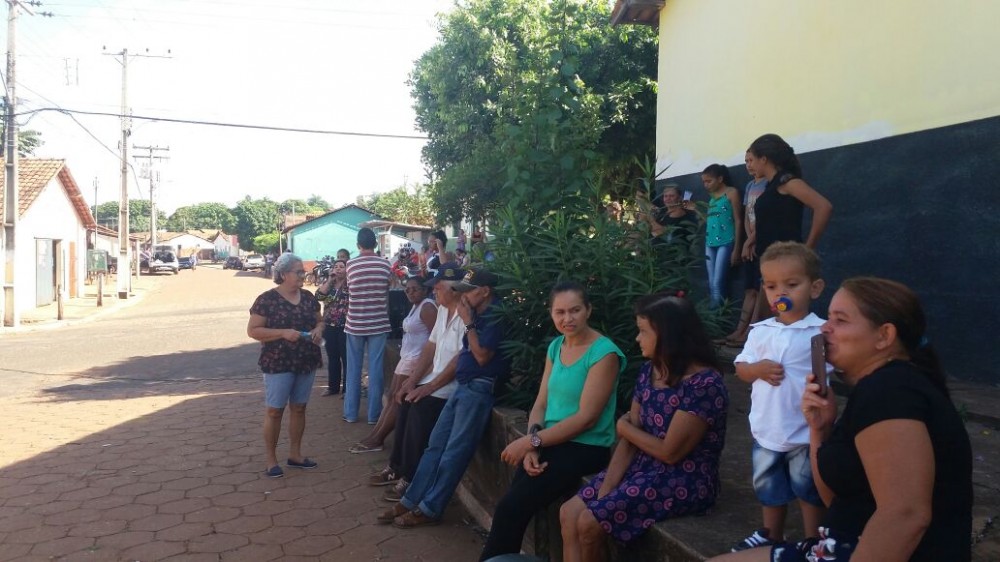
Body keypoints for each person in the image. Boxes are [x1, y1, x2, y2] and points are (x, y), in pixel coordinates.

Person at [708, 277, 972, 562]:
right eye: (829, 317)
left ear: (884, 336)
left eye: (840, 320)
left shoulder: (891, 390)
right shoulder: (879, 387)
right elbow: (837, 500)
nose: (825, 328)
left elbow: (905, 515)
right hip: (840, 543)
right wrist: (819, 430)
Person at [559, 293, 728, 562]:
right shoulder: (650, 371)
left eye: (643, 332)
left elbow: (669, 452)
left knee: (590, 523)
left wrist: (624, 429)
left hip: (683, 477)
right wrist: (605, 493)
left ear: (668, 336)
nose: (637, 339)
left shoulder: (704, 384)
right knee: (569, 513)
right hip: (641, 466)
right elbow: (628, 440)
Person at [479, 281, 625, 561]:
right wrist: (533, 442)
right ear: (551, 314)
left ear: (588, 311)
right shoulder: (556, 346)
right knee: (511, 509)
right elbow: (541, 403)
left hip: (584, 447)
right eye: (560, 312)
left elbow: (586, 418)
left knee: (511, 508)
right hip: (550, 441)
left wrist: (532, 441)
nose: (567, 319)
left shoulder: (604, 353)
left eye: (575, 310)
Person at [378, 266, 509, 528]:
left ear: (484, 292)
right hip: (464, 384)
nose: (462, 296)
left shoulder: (494, 315)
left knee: (454, 452)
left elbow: (482, 356)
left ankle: (430, 507)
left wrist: (468, 322)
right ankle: (412, 498)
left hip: (479, 387)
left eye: (467, 291)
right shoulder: (474, 310)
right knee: (435, 446)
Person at [729, 242, 828, 552]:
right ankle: (772, 533)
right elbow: (740, 368)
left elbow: (834, 374)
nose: (779, 293)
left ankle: (813, 538)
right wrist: (756, 369)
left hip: (803, 432)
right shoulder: (760, 330)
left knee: (807, 488)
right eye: (771, 286)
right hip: (766, 429)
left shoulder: (820, 332)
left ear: (815, 288)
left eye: (791, 284)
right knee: (768, 487)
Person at [369, 264, 467, 501]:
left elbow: (459, 360)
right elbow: (430, 348)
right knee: (403, 399)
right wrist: (413, 381)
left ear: (454, 289)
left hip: (450, 385)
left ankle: (410, 478)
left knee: (419, 411)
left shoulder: (466, 316)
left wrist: (429, 387)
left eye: (439, 287)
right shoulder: (443, 310)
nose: (434, 291)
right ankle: (396, 466)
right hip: (432, 379)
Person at [247, 252, 324, 478]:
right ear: (283, 274)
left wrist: (319, 329)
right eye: (298, 272)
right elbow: (253, 331)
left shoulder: (309, 298)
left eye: (303, 271)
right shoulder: (266, 300)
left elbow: (319, 320)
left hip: (305, 360)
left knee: (299, 408)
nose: (303, 275)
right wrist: (282, 333)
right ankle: (271, 460)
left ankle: (295, 455)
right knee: (275, 411)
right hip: (278, 363)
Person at [350, 275, 438, 453]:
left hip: (416, 360)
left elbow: (435, 339)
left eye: (415, 289)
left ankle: (378, 439)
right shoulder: (415, 307)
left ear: (426, 290)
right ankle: (376, 435)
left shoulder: (428, 307)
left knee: (398, 399)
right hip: (406, 357)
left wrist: (425, 365)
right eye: (407, 290)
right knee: (391, 396)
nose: (410, 293)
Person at [745, 134, 832, 256]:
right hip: (770, 260)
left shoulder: (786, 182)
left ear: (763, 159)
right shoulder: (771, 185)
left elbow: (823, 207)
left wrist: (808, 248)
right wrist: (752, 240)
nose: (750, 166)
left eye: (752, 160)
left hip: (786, 260)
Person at [344, 227, 393, 424]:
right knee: (375, 370)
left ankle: (350, 414)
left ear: (358, 245)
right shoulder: (385, 265)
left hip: (355, 323)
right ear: (376, 244)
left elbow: (350, 289)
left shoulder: (350, 265)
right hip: (379, 323)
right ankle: (374, 416)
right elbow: (388, 289)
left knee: (353, 369)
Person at [723, 153, 769, 346]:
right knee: (749, 289)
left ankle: (751, 331)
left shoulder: (769, 184)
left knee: (760, 289)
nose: (748, 165)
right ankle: (739, 329)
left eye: (751, 160)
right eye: (746, 161)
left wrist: (751, 240)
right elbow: (747, 215)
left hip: (761, 241)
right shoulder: (750, 186)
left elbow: (765, 216)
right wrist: (748, 239)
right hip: (750, 241)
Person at [702, 164, 744, 307]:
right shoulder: (712, 198)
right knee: (711, 282)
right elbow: (709, 220)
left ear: (720, 178)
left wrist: (737, 249)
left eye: (709, 181)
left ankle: (717, 318)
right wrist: (694, 209)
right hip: (709, 242)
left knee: (718, 282)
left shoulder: (732, 193)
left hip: (726, 241)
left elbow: (738, 220)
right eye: (704, 182)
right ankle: (716, 317)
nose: (706, 185)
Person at [315, 259, 349, 396]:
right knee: (333, 357)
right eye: (336, 267)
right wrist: (330, 279)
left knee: (346, 358)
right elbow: (318, 296)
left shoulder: (350, 284)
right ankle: (333, 387)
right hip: (329, 325)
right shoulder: (329, 284)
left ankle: (347, 389)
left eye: (342, 266)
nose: (338, 269)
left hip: (345, 326)